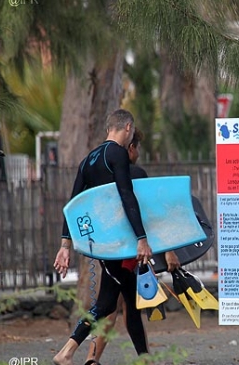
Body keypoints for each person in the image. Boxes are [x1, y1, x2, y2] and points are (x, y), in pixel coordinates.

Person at [53, 109, 153, 365]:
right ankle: (66, 352)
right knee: (107, 304)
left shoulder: (88, 160)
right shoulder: (117, 153)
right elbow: (126, 195)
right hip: (120, 244)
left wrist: (65, 245)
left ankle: (145, 360)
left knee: (131, 302)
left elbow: (72, 205)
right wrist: (141, 237)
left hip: (106, 242)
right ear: (128, 127)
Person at [84, 129, 181, 364]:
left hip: (107, 250)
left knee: (116, 305)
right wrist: (168, 250)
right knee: (118, 307)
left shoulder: (100, 176)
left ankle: (95, 358)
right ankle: (84, 354)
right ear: (130, 148)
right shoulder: (136, 174)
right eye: (136, 148)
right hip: (130, 251)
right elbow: (150, 216)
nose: (137, 154)